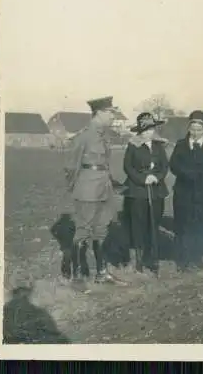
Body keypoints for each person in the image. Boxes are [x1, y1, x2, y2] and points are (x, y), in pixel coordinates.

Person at [64, 96, 127, 285]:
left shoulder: (104, 136)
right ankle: (77, 278)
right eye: (110, 113)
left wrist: (113, 183)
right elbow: (70, 165)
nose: (112, 117)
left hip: (104, 189)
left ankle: (102, 273)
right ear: (99, 113)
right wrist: (78, 188)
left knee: (101, 230)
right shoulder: (84, 136)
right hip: (87, 189)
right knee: (83, 231)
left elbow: (105, 164)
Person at [170, 110, 203, 272]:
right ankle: (183, 259)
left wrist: (201, 175)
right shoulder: (180, 145)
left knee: (201, 224)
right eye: (193, 129)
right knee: (183, 225)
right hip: (184, 192)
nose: (196, 133)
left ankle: (197, 256)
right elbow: (174, 165)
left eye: (199, 129)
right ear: (188, 128)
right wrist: (187, 174)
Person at [122, 112, 169, 275]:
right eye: (146, 130)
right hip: (138, 191)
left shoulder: (159, 146)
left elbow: (164, 166)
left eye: (152, 129)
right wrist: (143, 179)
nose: (149, 132)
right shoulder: (133, 145)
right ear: (140, 131)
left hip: (156, 190)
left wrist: (156, 177)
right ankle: (139, 259)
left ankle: (153, 257)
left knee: (154, 223)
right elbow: (128, 167)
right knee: (138, 224)